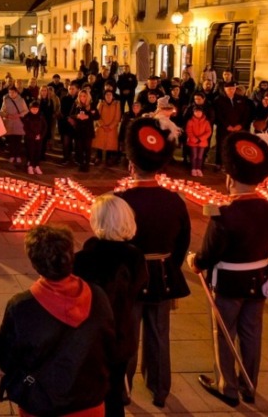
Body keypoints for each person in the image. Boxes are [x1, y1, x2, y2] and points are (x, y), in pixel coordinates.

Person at [187, 131, 268, 407]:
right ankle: (249, 384)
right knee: (251, 334)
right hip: (259, 281)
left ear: (230, 178)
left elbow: (211, 252)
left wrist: (196, 262)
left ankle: (227, 385)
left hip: (227, 282)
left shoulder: (223, 213)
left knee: (225, 334)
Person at [0, 225, 114, 416]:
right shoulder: (98, 296)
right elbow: (111, 345)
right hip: (90, 401)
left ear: (34, 263)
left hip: (41, 403)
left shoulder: (22, 307)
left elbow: (5, 356)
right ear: (71, 257)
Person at [115, 117, 190, 408]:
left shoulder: (120, 200)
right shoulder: (174, 201)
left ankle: (124, 389)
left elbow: (113, 242)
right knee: (160, 336)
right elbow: (182, 243)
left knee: (128, 336)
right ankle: (160, 389)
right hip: (162, 276)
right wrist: (170, 266)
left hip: (130, 277)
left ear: (131, 165)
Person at [73, 194, 148, 417]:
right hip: (121, 336)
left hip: (89, 339)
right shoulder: (135, 257)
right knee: (114, 392)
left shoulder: (83, 259)